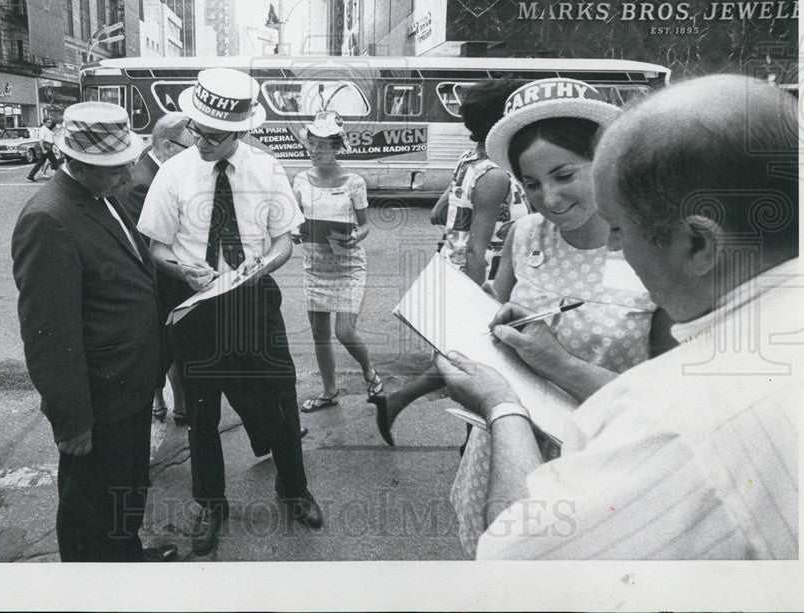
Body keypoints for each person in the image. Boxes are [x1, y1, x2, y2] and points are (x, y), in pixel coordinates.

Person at [436, 74, 801, 560]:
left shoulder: (680, 420)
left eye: (622, 228)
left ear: (696, 242)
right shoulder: (786, 322)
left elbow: (518, 555)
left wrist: (507, 403)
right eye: (531, 185)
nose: (615, 246)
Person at [447, 79, 673, 553]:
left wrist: (560, 364)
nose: (547, 198)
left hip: (602, 462)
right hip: (510, 444)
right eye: (531, 184)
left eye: (564, 175)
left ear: (608, 162)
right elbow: (495, 324)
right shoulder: (526, 234)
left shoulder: (656, 253)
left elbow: (668, 406)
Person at [138, 68, 323, 556]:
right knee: (201, 412)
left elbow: (286, 239)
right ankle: (210, 504)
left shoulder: (267, 170)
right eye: (195, 130)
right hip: (197, 307)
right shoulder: (174, 173)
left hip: (253, 301)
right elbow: (156, 246)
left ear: (240, 132)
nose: (199, 141)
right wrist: (182, 269)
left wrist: (266, 264)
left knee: (281, 396)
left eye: (213, 135)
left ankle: (293, 487)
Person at [11, 101, 177, 562]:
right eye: (116, 169)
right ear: (81, 166)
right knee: (91, 509)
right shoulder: (48, 218)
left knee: (125, 489)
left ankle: (127, 556)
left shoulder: (101, 196)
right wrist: (72, 421)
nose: (128, 178)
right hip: (98, 399)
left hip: (128, 382)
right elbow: (48, 336)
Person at [369, 80, 530, 445]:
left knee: (465, 364)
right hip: (482, 281)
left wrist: (461, 211)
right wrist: (475, 308)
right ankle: (471, 444)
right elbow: (477, 249)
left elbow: (438, 213)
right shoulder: (496, 175)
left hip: (456, 272)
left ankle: (395, 403)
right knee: (482, 369)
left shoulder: (470, 161)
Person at [291, 111, 382, 412]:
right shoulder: (301, 179)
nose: (315, 151)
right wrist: (293, 232)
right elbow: (294, 220)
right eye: (312, 144)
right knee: (319, 334)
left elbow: (365, 225)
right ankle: (329, 391)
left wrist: (357, 236)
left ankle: (369, 370)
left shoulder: (354, 182)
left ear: (336, 147)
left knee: (344, 331)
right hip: (315, 264)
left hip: (348, 264)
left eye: (322, 145)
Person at [116, 112, 195, 425]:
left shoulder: (158, 171)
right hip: (156, 284)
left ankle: (169, 403)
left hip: (166, 279)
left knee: (170, 346)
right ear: (167, 145)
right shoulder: (142, 183)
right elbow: (144, 247)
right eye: (191, 147)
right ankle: (172, 404)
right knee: (167, 347)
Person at [27, 117, 59, 182]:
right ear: (44, 123)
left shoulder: (46, 129)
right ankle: (60, 176)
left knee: (41, 162)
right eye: (48, 122)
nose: (50, 123)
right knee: (54, 162)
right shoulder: (43, 130)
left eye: (50, 122)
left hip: (48, 146)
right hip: (46, 147)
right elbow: (41, 141)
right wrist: (43, 149)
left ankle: (31, 175)